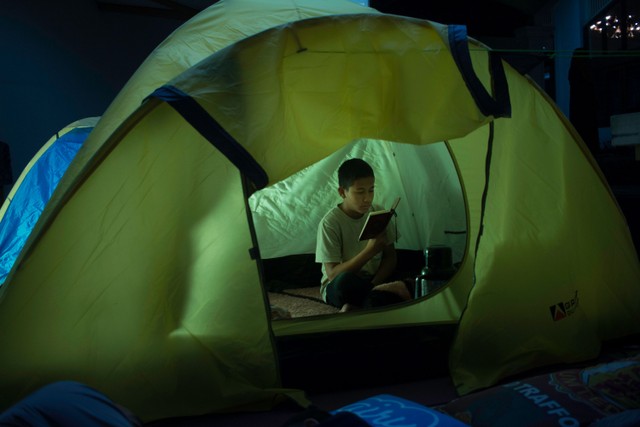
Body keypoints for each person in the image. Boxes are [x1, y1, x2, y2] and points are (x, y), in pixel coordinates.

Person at [316, 158, 408, 312]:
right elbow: (332, 275)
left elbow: (390, 257)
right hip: (343, 285)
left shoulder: (378, 212)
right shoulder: (330, 223)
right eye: (360, 192)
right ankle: (376, 300)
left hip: (374, 280)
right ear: (342, 192)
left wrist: (374, 285)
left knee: (412, 269)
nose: (367, 198)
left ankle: (366, 301)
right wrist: (370, 251)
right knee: (343, 284)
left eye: (371, 190)